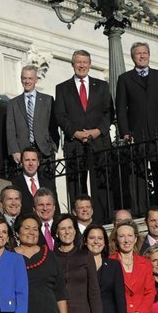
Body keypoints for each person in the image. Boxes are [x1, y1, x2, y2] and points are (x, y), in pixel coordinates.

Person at [114, 42, 158, 214]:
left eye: (144, 53)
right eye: (138, 54)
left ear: (149, 55)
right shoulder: (125, 79)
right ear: (133, 57)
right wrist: (125, 133)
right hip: (137, 135)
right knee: (138, 177)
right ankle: (141, 211)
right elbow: (121, 109)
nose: (142, 56)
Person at [55, 50, 113, 222]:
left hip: (98, 142)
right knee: (76, 184)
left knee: (102, 182)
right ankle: (75, 220)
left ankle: (103, 218)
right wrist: (76, 133)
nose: (81, 65)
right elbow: (60, 115)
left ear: (90, 64)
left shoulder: (101, 86)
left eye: (85, 62)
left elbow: (109, 112)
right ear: (73, 64)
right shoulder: (63, 88)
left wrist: (96, 131)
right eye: (78, 62)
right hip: (75, 144)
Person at [6, 65, 58, 170]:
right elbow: (10, 129)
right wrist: (15, 150)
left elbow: (53, 125)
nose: (27, 81)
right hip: (23, 152)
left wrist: (53, 147)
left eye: (30, 78)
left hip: (45, 151)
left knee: (47, 184)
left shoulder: (47, 100)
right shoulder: (13, 103)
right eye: (24, 78)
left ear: (36, 80)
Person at [11, 146, 57, 216]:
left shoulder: (49, 184)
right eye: (27, 160)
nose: (31, 164)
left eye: (33, 160)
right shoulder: (13, 184)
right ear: (21, 163)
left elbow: (56, 209)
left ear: (38, 162)